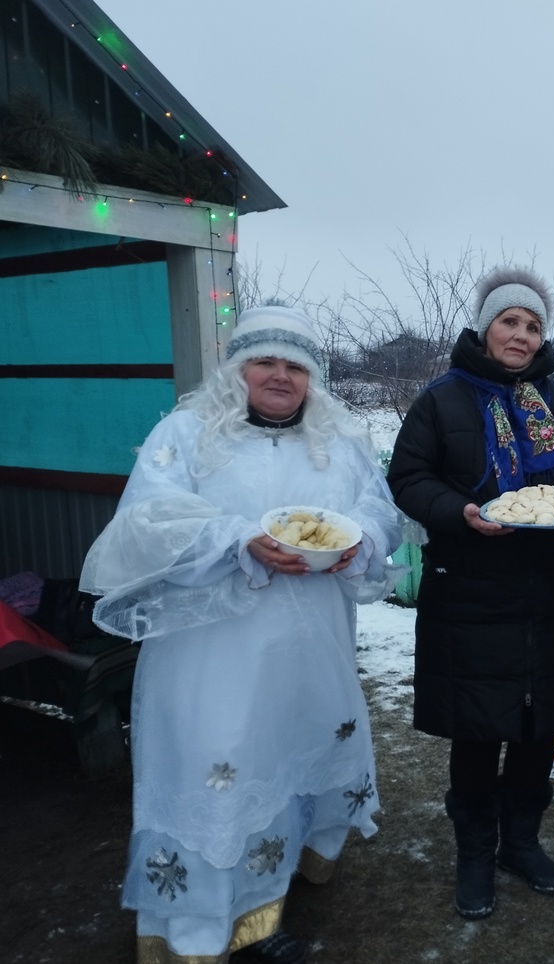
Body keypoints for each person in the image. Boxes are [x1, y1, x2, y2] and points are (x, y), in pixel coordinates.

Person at [80, 306, 406, 964]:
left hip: (312, 649)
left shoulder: (338, 439)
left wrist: (362, 540)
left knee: (292, 763)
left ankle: (270, 898)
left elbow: (379, 506)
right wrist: (238, 539)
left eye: (297, 366)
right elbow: (146, 519)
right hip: (212, 657)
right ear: (237, 367)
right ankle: (205, 930)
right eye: (266, 361)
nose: (281, 376)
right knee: (223, 775)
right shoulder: (188, 432)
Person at [387, 265, 554, 920]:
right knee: (478, 729)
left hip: (545, 593)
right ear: (485, 327)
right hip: (469, 591)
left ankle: (522, 841)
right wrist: (460, 511)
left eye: (533, 324)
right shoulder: (442, 400)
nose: (521, 334)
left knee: (537, 725)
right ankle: (474, 852)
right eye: (509, 321)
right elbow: (409, 477)